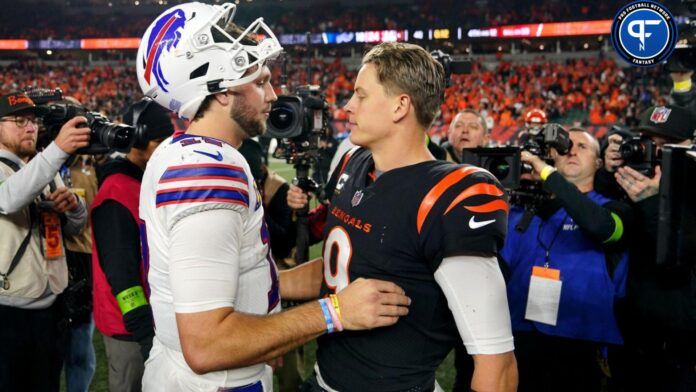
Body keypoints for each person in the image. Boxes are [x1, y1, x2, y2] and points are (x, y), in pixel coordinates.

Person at [136, 3, 410, 391]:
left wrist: (327, 278)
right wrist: (335, 312)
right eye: (260, 81)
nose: (273, 94)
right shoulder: (209, 171)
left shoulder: (184, 150)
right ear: (221, 90)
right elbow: (207, 345)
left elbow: (236, 281)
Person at [289, 42, 517, 392]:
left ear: (400, 106)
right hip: (323, 378)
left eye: (361, 95)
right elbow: (346, 268)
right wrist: (271, 281)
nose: (348, 106)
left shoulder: (452, 193)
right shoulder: (356, 162)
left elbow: (496, 362)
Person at [501, 129, 632, 392]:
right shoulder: (522, 210)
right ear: (552, 158)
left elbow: (600, 227)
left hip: (582, 342)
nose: (572, 150)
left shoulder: (616, 210)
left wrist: (550, 177)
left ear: (598, 162)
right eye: (566, 147)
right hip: (520, 337)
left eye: (583, 147)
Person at [600, 105, 696, 392]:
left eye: (665, 146)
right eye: (646, 142)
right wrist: (607, 172)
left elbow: (676, 262)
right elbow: (603, 225)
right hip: (628, 328)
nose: (651, 153)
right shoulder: (632, 181)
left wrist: (652, 202)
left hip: (677, 338)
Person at [0, 91, 90, 391]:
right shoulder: (44, 163)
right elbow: (9, 198)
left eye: (33, 120)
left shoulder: (43, 167)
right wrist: (57, 150)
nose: (30, 127)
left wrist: (74, 208)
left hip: (52, 302)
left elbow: (76, 227)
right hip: (8, 309)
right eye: (19, 121)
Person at [90, 98, 174, 392]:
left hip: (155, 321)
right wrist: (143, 333)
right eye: (159, 141)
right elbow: (121, 274)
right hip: (131, 331)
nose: (166, 149)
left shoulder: (144, 182)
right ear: (136, 140)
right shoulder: (116, 194)